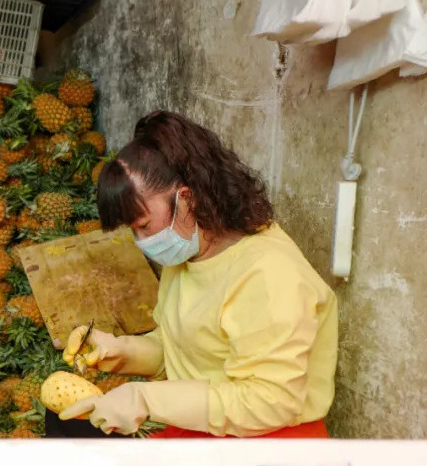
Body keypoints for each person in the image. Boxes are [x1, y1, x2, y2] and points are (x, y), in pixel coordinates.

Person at [58, 111, 338, 438]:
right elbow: (180, 351)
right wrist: (122, 352)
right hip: (202, 431)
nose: (142, 241)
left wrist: (146, 398)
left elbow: (271, 401)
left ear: (187, 199)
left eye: (145, 225)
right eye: (133, 230)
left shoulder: (270, 274)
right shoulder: (188, 256)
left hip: (268, 444)